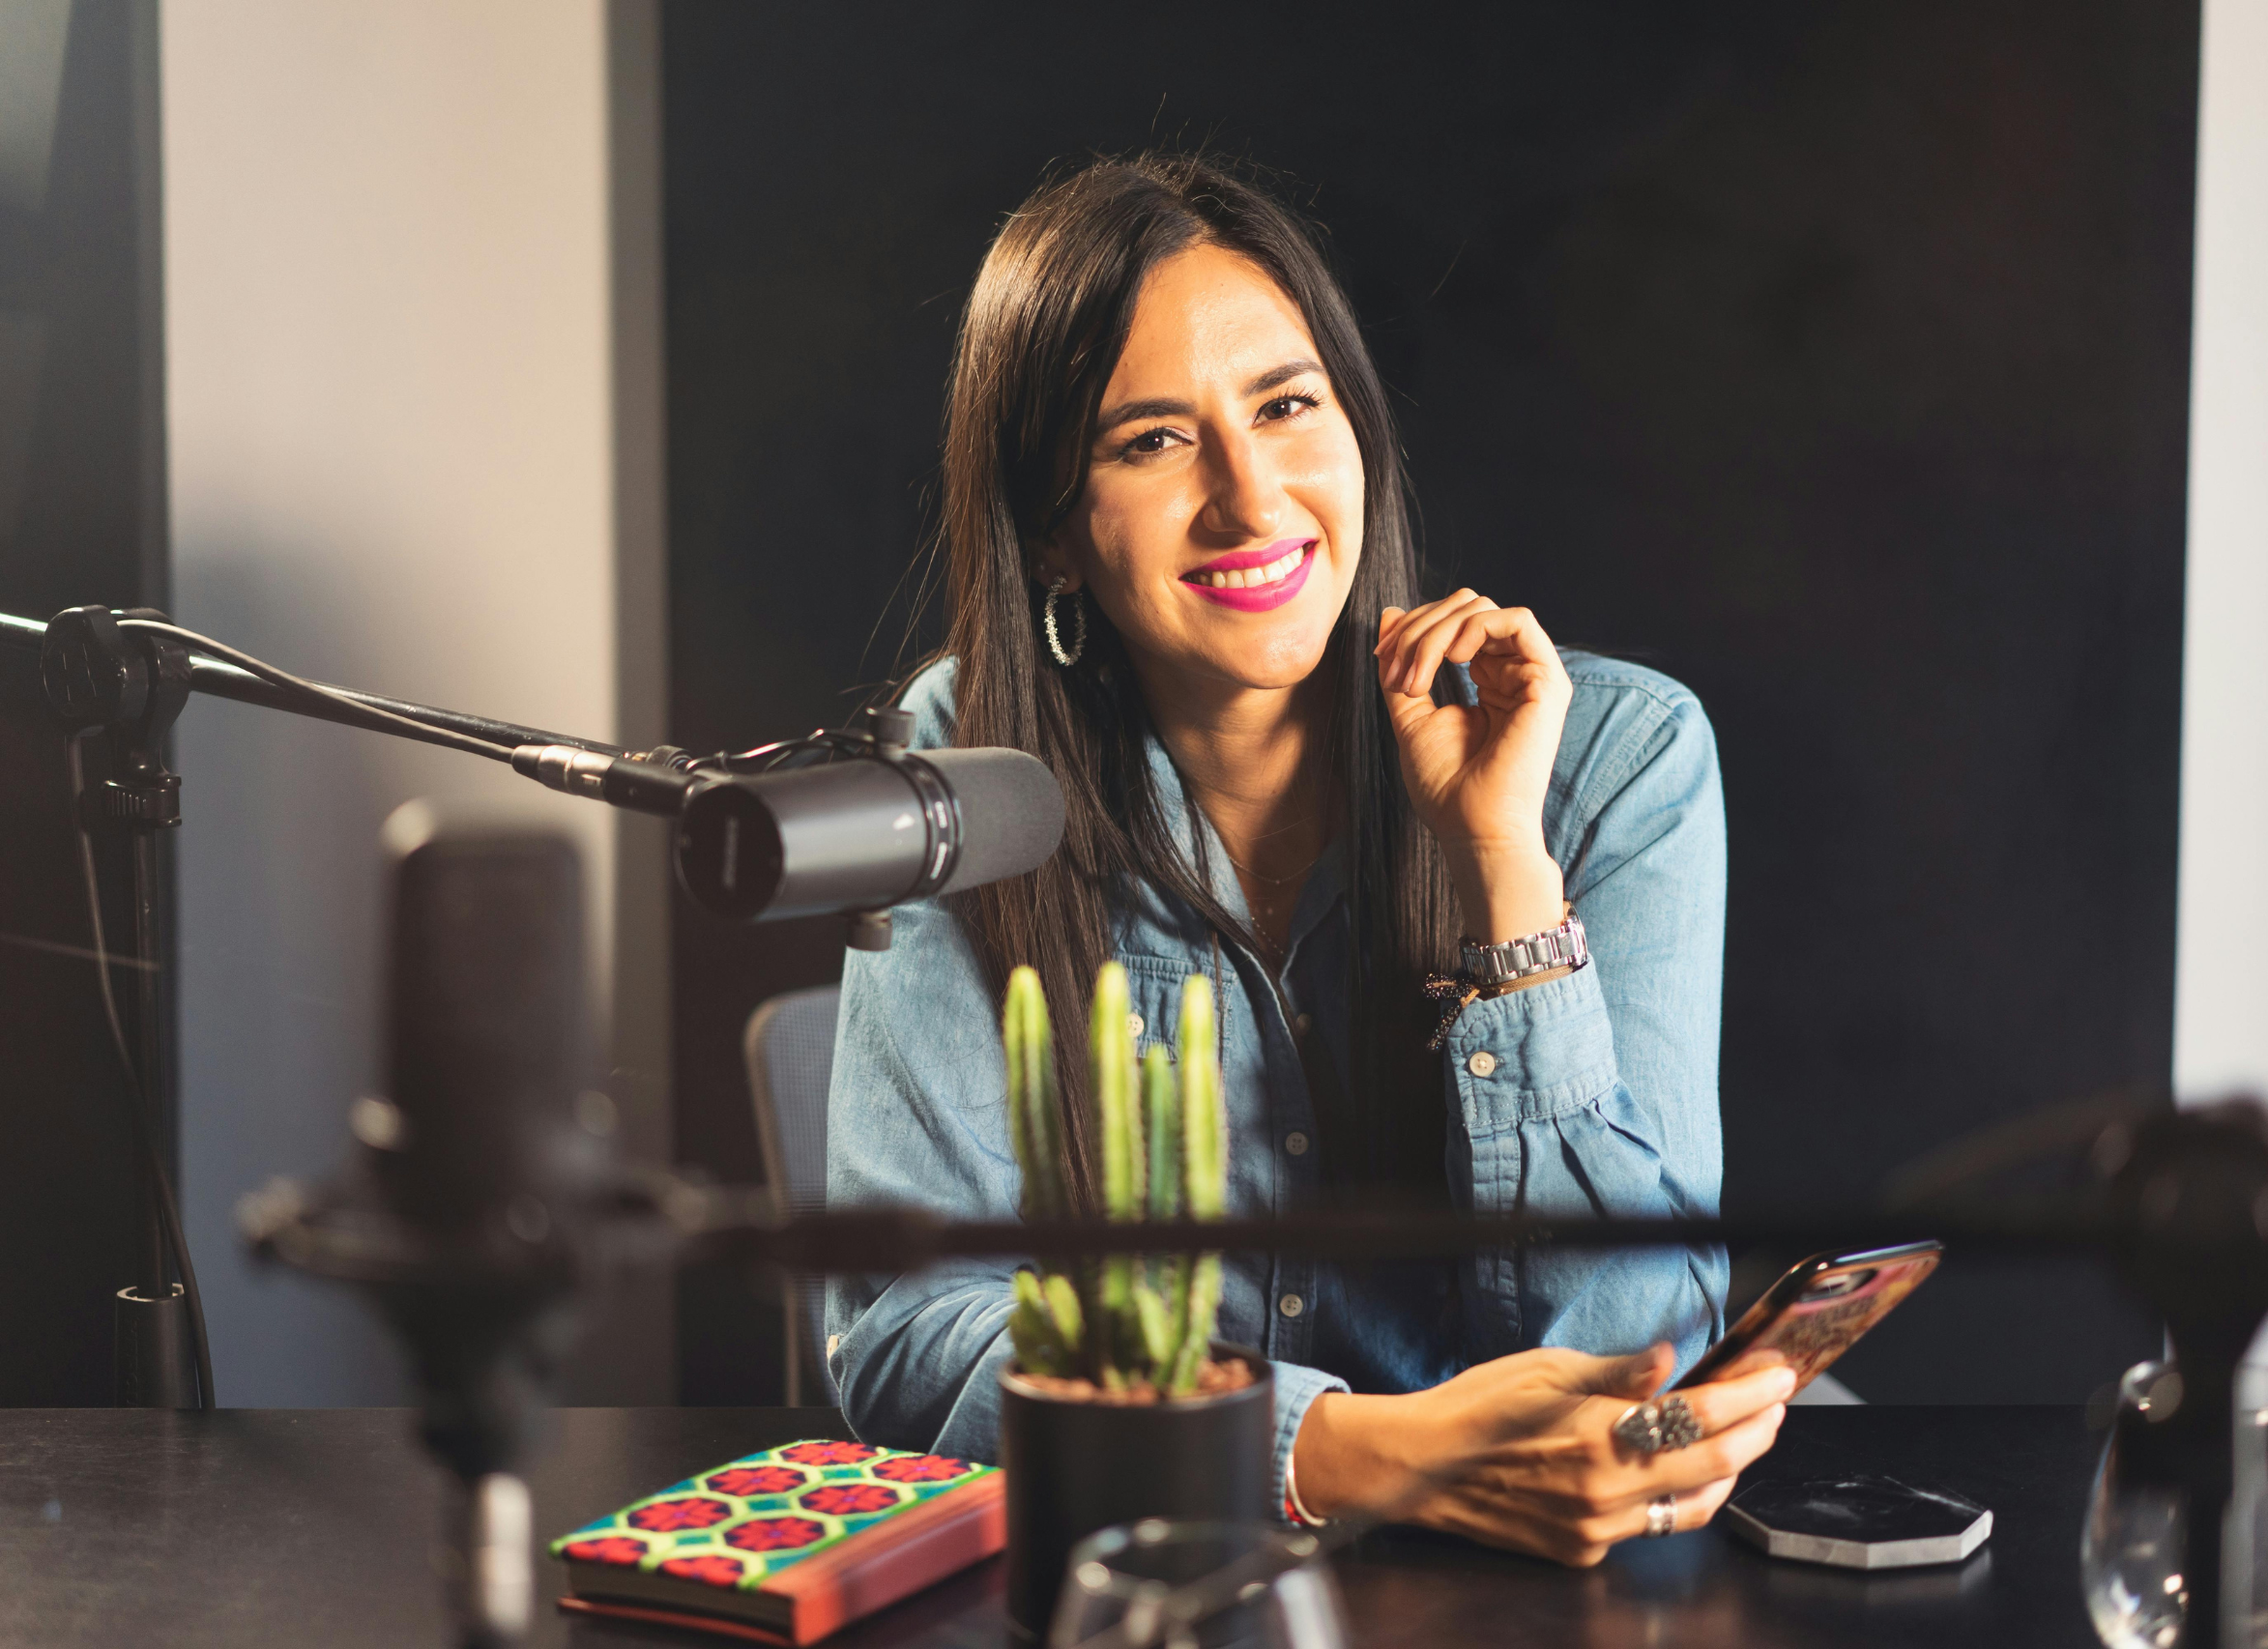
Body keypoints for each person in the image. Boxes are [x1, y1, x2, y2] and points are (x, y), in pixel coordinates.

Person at [826, 154, 1790, 1563]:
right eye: (1150, 441)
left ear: (1357, 429)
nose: (1249, 496)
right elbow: (906, 1333)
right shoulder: (956, 768)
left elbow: (1629, 1354)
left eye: (1286, 405)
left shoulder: (1616, 759)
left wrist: (1500, 869)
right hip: (1148, 1589)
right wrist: (1342, 1452)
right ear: (1050, 534)